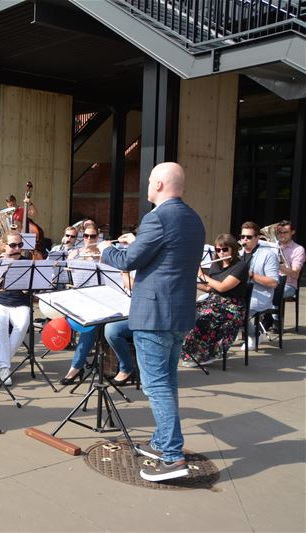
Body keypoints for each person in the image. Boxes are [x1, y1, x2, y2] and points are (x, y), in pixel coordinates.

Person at [98, 161, 204, 482]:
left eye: (148, 182)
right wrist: (138, 239)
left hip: (155, 314)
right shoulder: (193, 218)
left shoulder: (157, 217)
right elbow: (166, 256)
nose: (147, 187)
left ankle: (172, 456)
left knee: (155, 385)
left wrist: (106, 249)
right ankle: (161, 441)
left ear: (158, 184)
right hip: (180, 311)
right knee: (167, 381)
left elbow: (130, 261)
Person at [60, 226, 133, 386]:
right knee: (87, 322)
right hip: (85, 300)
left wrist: (100, 259)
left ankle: (76, 367)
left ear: (98, 238)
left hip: (109, 300)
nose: (89, 239)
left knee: (91, 325)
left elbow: (119, 282)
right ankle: (77, 366)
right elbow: (68, 280)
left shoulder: (107, 253)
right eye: (86, 236)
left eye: (92, 236)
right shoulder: (76, 253)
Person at [180, 234, 248, 367]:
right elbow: (208, 288)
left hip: (232, 306)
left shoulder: (241, 266)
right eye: (218, 250)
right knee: (186, 310)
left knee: (203, 315)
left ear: (233, 249)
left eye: (224, 249)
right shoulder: (216, 265)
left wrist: (201, 274)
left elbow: (222, 287)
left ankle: (204, 354)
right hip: (214, 301)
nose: (221, 253)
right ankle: (192, 352)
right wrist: (189, 280)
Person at [0, 230, 32, 386]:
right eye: (13, 245)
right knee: (1, 321)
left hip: (20, 303)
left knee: (22, 325)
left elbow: (29, 290)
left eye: (20, 245)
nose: (17, 249)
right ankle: (5, 368)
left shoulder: (27, 263)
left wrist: (28, 286)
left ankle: (0, 365)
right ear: (4, 246)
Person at [239, 221, 279, 350]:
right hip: (238, 294)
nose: (245, 240)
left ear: (257, 238)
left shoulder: (268, 255)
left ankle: (254, 334)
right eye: (242, 236)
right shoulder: (237, 254)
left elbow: (273, 282)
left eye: (249, 237)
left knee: (236, 312)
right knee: (204, 302)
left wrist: (251, 275)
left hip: (259, 295)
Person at [275, 220, 304, 301]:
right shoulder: (271, 246)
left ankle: (273, 314)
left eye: (285, 232)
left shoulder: (298, 249)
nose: (282, 235)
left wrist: (277, 265)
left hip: (287, 285)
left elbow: (295, 275)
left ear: (292, 232)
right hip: (269, 282)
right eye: (279, 232)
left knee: (272, 293)